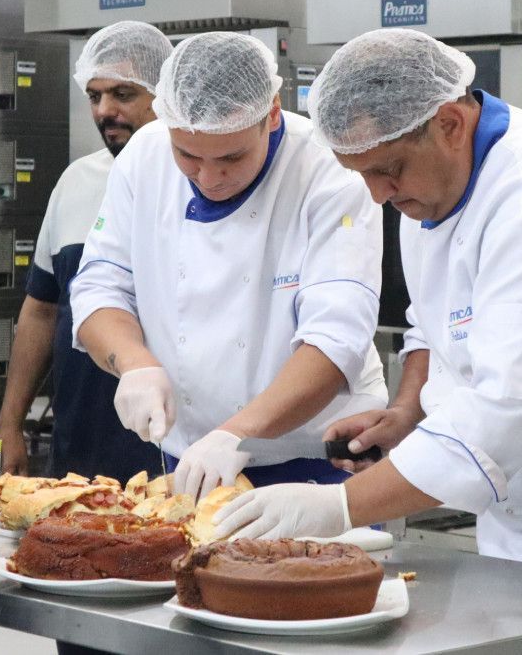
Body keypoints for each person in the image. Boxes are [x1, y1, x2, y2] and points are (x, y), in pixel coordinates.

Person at [215, 29, 522, 603]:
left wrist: (336, 506)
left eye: (387, 170)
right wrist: (406, 413)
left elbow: (498, 416)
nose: (377, 195)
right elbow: (439, 322)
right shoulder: (431, 183)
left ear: (450, 123)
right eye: (361, 175)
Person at [69, 31, 388, 502]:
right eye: (189, 156)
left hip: (315, 463)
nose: (210, 177)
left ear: (272, 113)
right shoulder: (144, 156)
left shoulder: (328, 173)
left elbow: (336, 338)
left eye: (231, 157)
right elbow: (100, 284)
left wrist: (235, 433)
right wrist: (134, 364)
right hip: (192, 458)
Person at [0, 21, 170, 479]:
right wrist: (10, 424)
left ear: (166, 92)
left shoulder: (199, 182)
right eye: (95, 96)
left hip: (168, 453)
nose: (105, 111)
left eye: (123, 94)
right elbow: (41, 311)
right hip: (78, 452)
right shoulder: (76, 181)